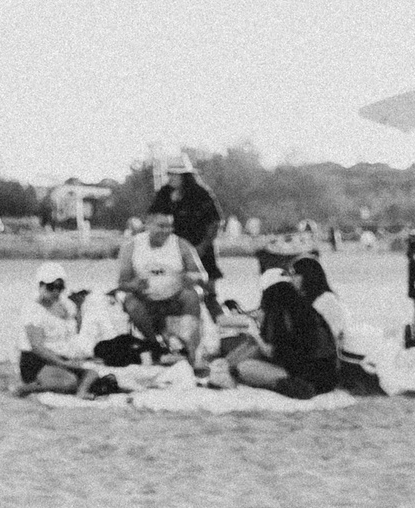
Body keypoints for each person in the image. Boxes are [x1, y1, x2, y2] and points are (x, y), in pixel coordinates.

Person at [116, 208, 212, 366]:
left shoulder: (181, 244)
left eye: (169, 226)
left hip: (174, 296)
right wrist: (134, 285)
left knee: (193, 294)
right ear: (148, 225)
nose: (166, 231)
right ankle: (155, 345)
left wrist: (191, 278)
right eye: (161, 226)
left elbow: (202, 276)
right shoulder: (131, 246)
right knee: (130, 302)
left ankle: (190, 349)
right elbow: (121, 284)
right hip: (146, 298)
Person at [227, 280, 340, 399]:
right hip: (326, 377)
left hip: (306, 377)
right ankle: (226, 368)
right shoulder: (307, 313)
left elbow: (274, 353)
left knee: (245, 367)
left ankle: (289, 386)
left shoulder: (285, 318)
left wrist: (256, 335)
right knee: (252, 351)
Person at [17, 264, 114, 397]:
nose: (56, 292)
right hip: (38, 360)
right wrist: (61, 362)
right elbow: (37, 347)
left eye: (60, 287)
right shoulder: (33, 310)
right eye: (51, 287)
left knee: (93, 374)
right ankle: (28, 388)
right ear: (41, 285)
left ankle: (81, 391)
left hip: (63, 356)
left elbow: (74, 333)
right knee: (68, 382)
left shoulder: (67, 305)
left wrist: (79, 308)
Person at [148, 158, 225, 302]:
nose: (170, 178)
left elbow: (215, 222)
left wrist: (202, 246)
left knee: (208, 293)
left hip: (200, 248)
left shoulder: (201, 194)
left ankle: (217, 317)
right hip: (173, 251)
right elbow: (153, 217)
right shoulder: (164, 193)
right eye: (169, 174)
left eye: (174, 174)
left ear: (185, 176)